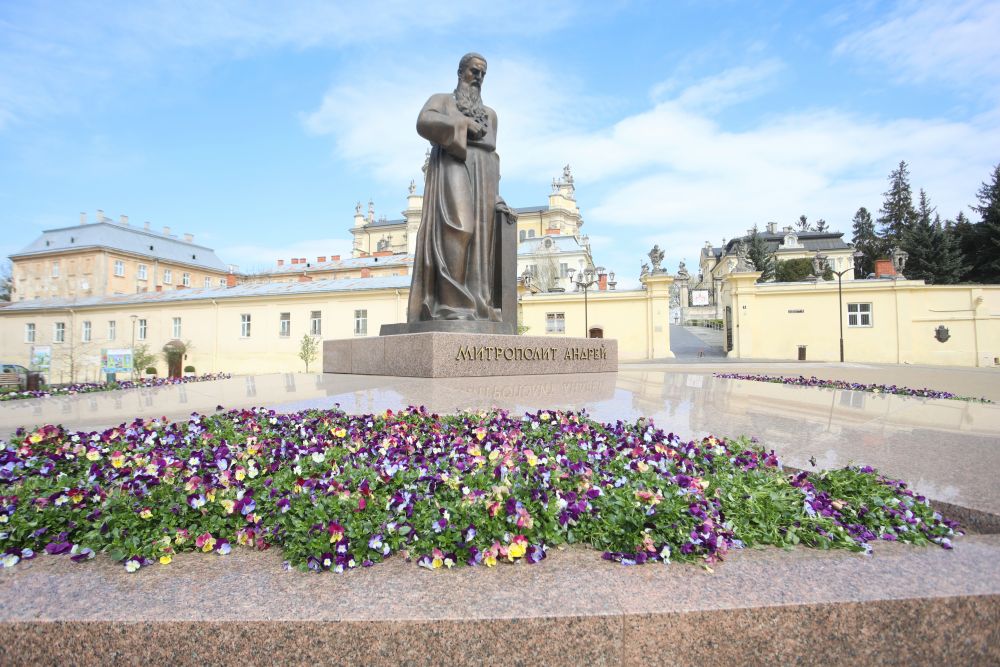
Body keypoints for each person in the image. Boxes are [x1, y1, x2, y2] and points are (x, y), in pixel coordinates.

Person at [408, 52, 515, 323]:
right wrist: (464, 124)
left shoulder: (490, 114)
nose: (478, 77)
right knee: (459, 227)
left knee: (480, 239)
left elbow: (491, 148)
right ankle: (449, 305)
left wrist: (496, 196)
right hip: (452, 166)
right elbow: (423, 122)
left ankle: (474, 303)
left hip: (483, 178)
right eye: (474, 71)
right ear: (460, 72)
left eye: (482, 73)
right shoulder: (442, 101)